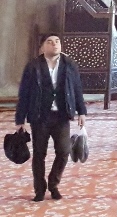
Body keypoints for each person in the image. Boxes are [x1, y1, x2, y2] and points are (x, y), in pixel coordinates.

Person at [15, 32, 86, 202]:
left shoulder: (69, 64)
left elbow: (76, 88)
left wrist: (81, 111)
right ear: (42, 47)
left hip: (62, 115)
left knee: (64, 151)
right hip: (40, 116)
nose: (55, 44)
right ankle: (39, 190)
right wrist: (20, 119)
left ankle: (53, 184)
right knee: (39, 154)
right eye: (50, 42)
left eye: (57, 41)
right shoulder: (33, 66)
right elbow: (24, 93)